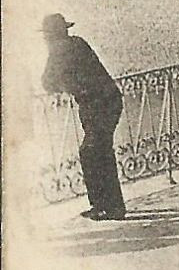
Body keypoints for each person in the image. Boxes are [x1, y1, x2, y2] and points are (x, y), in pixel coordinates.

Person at [40, 14, 127, 220]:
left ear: (50, 35)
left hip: (98, 105)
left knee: (91, 152)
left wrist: (63, 85)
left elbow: (47, 82)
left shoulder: (59, 49)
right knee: (100, 151)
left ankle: (106, 206)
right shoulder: (77, 43)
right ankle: (112, 206)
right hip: (106, 102)